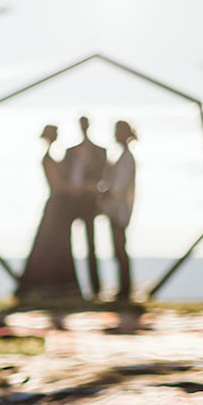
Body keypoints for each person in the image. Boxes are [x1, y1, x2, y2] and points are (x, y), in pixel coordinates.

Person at [16, 123, 82, 303]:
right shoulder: (48, 158)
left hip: (60, 206)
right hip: (56, 205)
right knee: (50, 245)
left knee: (58, 245)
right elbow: (59, 185)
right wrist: (81, 188)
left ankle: (60, 284)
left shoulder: (56, 157)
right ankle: (48, 283)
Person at [61, 115, 109, 299]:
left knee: (92, 244)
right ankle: (72, 286)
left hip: (89, 201)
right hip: (71, 201)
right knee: (67, 244)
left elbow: (103, 174)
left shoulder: (99, 151)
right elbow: (65, 174)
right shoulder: (70, 151)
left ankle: (95, 288)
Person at [103, 119, 138, 304]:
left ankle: (125, 290)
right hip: (116, 209)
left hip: (119, 210)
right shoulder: (122, 157)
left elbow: (120, 187)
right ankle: (123, 288)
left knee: (120, 249)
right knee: (119, 249)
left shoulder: (126, 158)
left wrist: (105, 190)